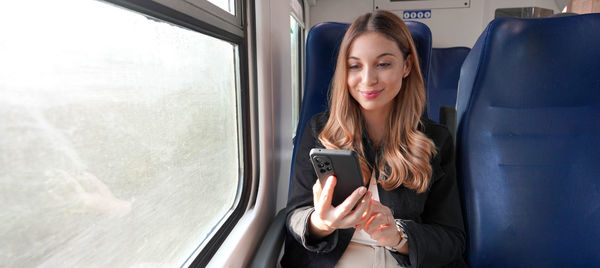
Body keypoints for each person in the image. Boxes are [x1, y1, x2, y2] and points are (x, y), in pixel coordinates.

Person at [281, 10, 466, 268]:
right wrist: (321, 223)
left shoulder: (435, 140)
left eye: (383, 64)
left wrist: (400, 237)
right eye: (355, 66)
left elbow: (452, 238)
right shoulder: (319, 131)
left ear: (407, 66)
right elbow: (295, 216)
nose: (368, 80)